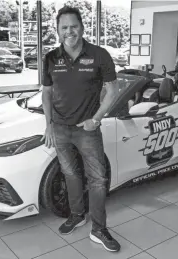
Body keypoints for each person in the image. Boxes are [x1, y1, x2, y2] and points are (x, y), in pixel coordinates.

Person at [41, 6, 121, 252]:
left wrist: (96, 119)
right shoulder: (51, 58)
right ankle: (77, 215)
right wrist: (49, 124)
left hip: (87, 130)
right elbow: (47, 92)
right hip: (61, 130)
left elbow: (113, 91)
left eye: (73, 26)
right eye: (64, 27)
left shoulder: (99, 55)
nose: (69, 31)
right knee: (70, 174)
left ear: (82, 28)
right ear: (57, 30)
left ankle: (99, 229)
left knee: (97, 179)